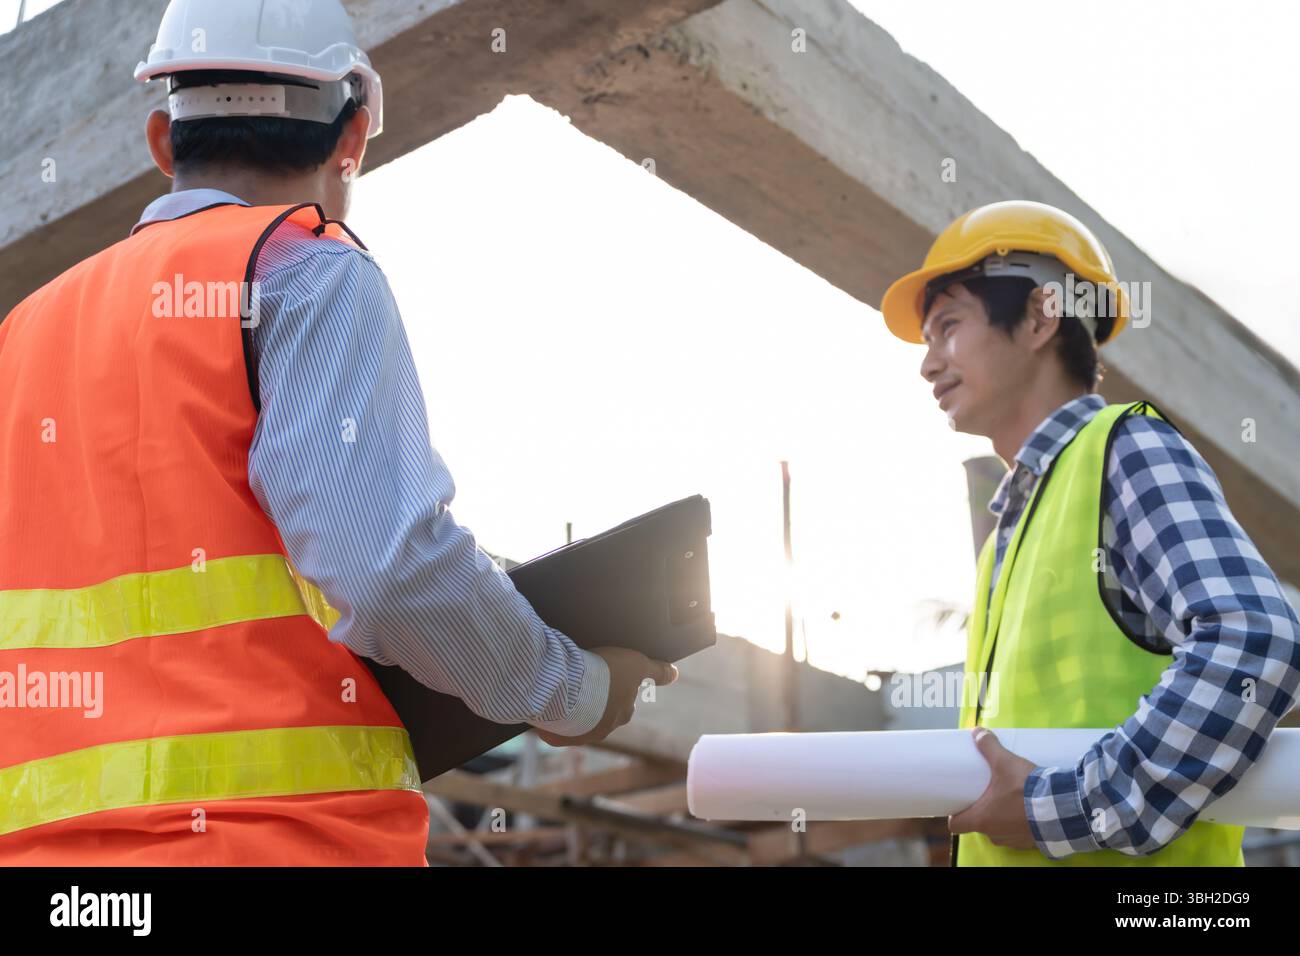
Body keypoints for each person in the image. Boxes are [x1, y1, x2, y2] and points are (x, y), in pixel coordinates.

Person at [0, 0, 674, 866]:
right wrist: (575, 689)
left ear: (164, 140)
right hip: (276, 846)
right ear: (352, 135)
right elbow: (386, 571)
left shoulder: (23, 334)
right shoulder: (304, 272)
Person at [880, 199, 1300, 866]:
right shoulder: (1003, 546)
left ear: (1043, 315)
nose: (929, 364)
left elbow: (1255, 638)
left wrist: (1069, 806)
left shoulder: (1125, 451)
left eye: (949, 326)